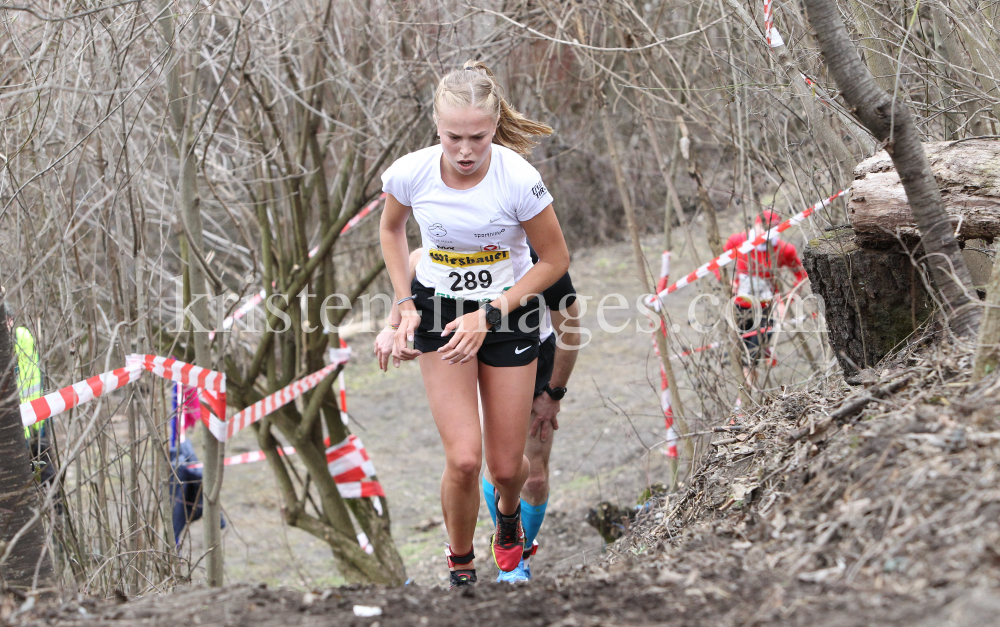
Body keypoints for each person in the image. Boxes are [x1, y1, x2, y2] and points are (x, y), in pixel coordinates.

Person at [379, 61, 569, 588]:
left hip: (509, 314)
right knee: (464, 459)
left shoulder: (518, 178)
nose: (465, 151)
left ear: (495, 127)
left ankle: (507, 520)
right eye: (453, 137)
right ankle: (460, 566)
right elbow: (392, 232)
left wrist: (490, 312)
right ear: (436, 128)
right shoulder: (411, 172)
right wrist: (404, 303)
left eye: (478, 138)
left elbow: (554, 261)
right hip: (439, 312)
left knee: (509, 470)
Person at [375, 248, 581, 584]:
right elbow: (413, 261)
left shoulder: (537, 256)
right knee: (466, 459)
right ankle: (479, 559)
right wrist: (392, 324)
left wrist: (554, 394)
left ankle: (515, 550)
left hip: (526, 346)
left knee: (529, 475)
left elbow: (570, 334)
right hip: (458, 339)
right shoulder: (454, 238)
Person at [723, 210, 808, 388]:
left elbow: (801, 275)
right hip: (741, 305)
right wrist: (726, 281)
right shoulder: (739, 240)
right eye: (763, 227)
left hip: (766, 307)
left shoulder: (784, 249)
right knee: (743, 352)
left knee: (752, 353)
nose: (766, 232)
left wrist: (787, 299)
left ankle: (749, 392)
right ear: (755, 225)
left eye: (773, 228)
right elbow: (717, 261)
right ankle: (750, 391)